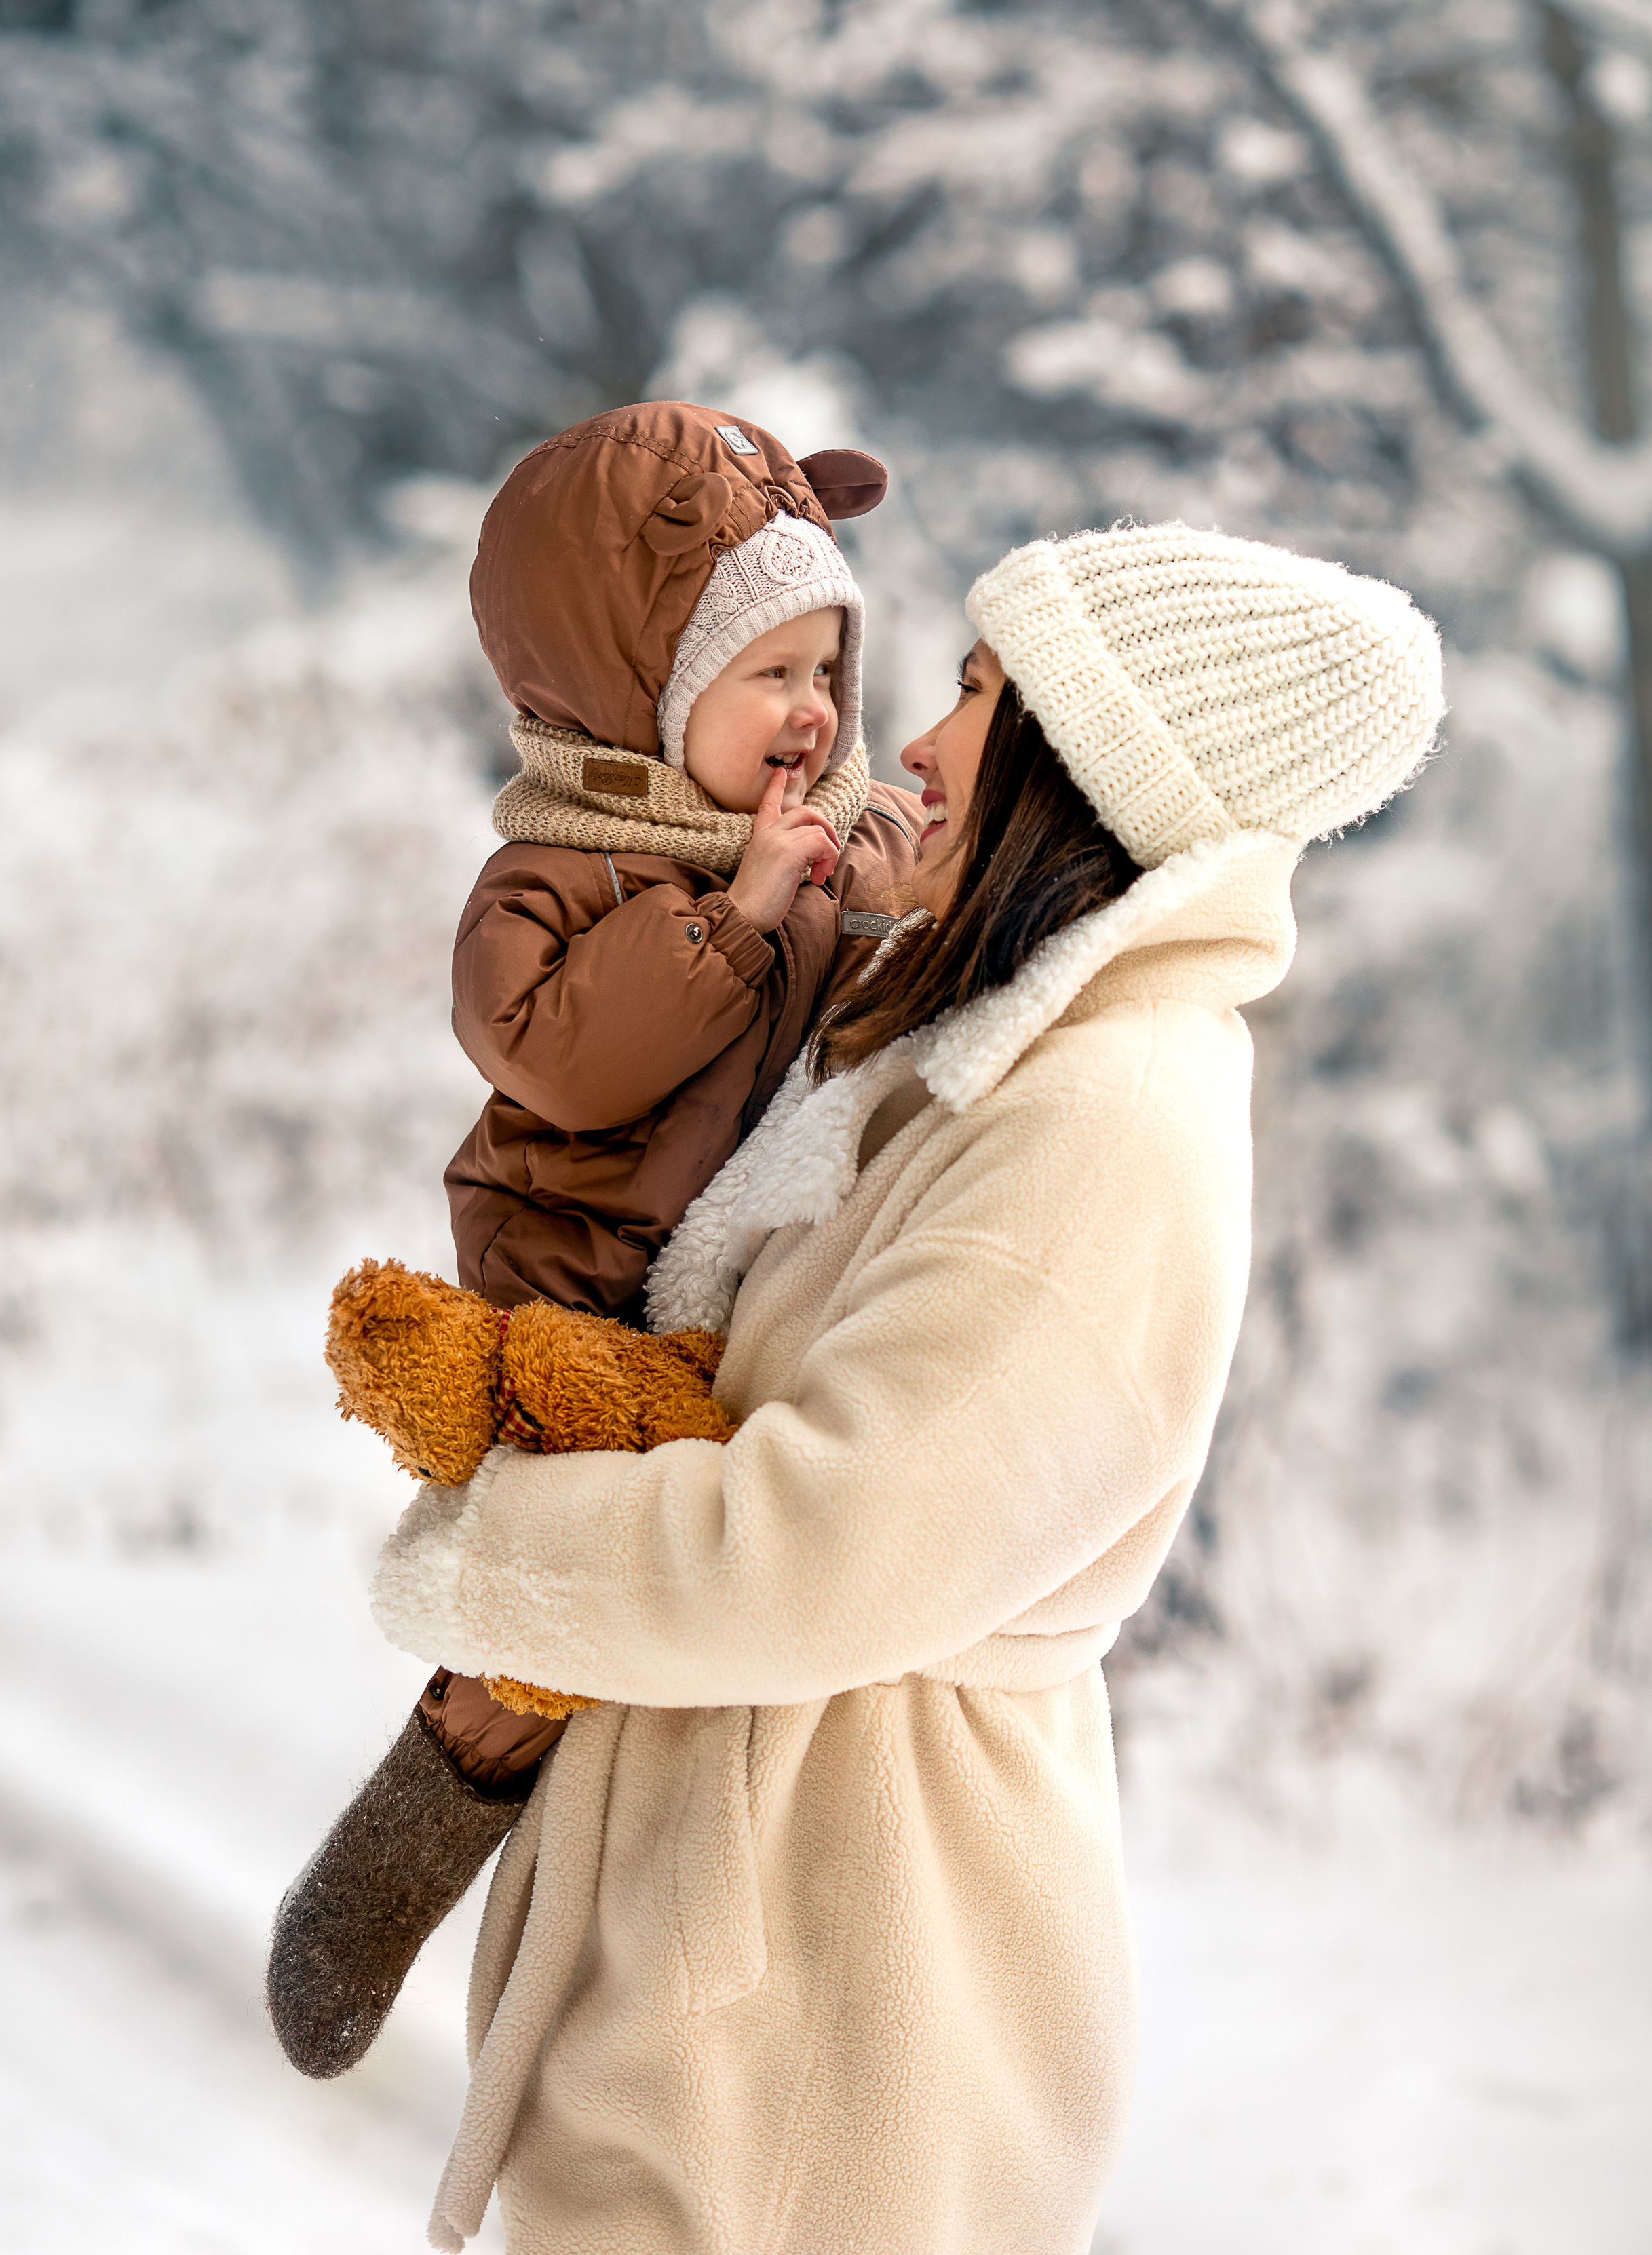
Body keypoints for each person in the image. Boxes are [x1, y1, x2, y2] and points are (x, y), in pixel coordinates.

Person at [370, 518, 1444, 2255]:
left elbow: (823, 1545)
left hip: (826, 2005)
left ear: (1083, 770)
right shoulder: (974, 1043)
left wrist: (489, 1548)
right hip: (756, 1969)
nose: (920, 745)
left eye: (975, 696)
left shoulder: (1104, 1119)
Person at [266, 400, 921, 2080]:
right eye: (762, 674)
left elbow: (897, 922)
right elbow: (557, 1056)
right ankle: (408, 1842)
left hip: (697, 1283)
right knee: (543, 1619)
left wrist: (889, 888)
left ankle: (647, 1978)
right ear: (634, 691)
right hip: (560, 1275)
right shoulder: (557, 872)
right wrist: (736, 916)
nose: (811, 712)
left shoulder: (808, 836)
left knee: (643, 1619)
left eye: (825, 670)